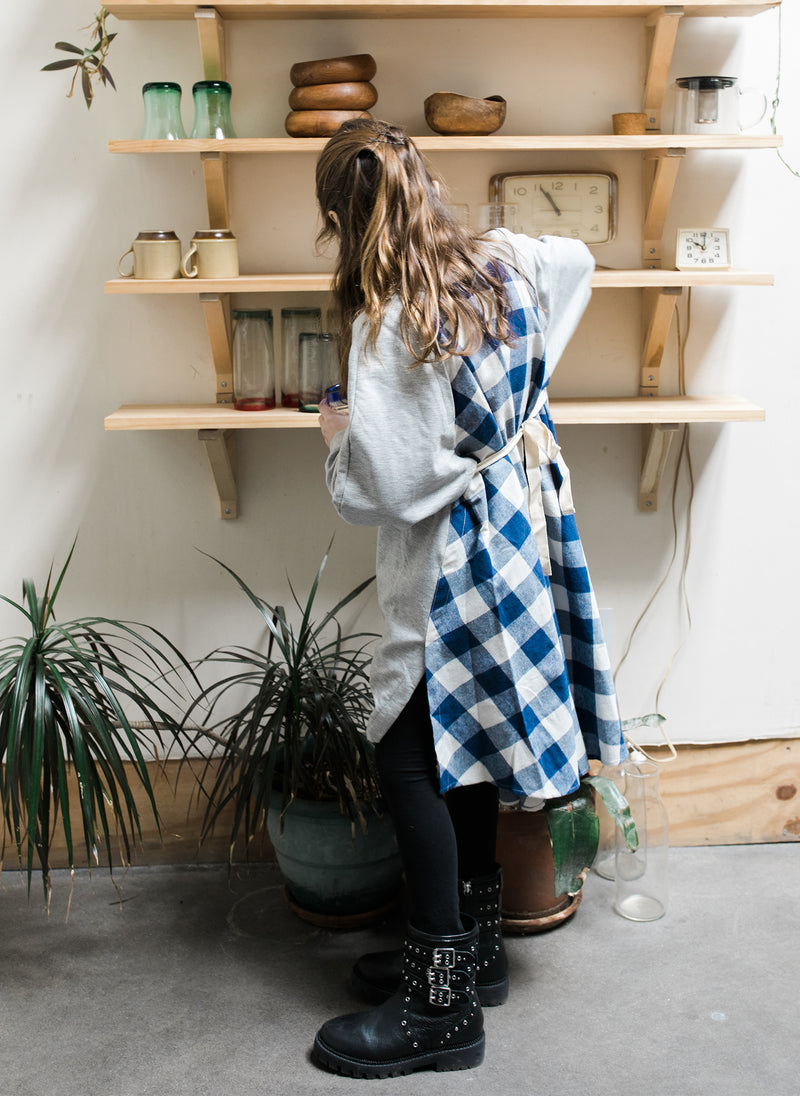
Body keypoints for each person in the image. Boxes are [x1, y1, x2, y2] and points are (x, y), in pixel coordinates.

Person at [312, 118, 626, 1079]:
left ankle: (442, 1008)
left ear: (341, 217)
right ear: (424, 183)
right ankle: (476, 952)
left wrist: (335, 439)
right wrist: (517, 412)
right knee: (472, 749)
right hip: (522, 532)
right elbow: (578, 262)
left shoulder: (391, 320)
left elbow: (391, 489)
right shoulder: (508, 260)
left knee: (411, 758)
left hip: (450, 562)